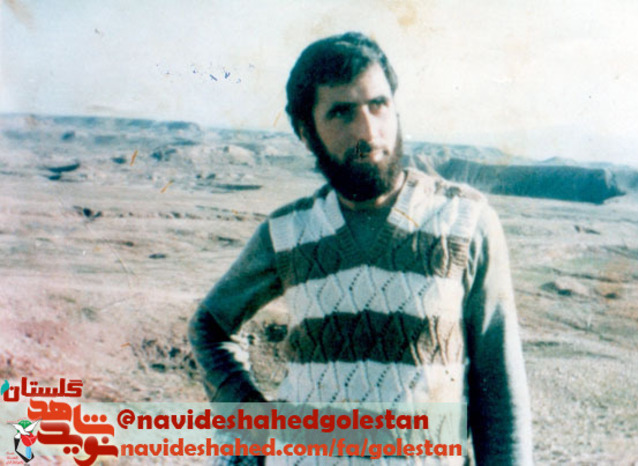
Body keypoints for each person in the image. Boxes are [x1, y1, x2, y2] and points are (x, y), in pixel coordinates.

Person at [189, 31, 533, 465]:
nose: (369, 131)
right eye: (341, 113)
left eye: (378, 105)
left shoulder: (465, 221)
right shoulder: (286, 232)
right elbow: (209, 327)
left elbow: (499, 388)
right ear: (306, 132)